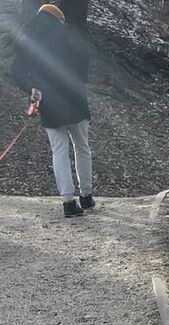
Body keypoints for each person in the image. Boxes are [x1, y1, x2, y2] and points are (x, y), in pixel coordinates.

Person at [15, 1, 93, 218]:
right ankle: (86, 195)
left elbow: (17, 71)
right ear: (58, 19)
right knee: (82, 147)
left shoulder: (27, 38)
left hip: (47, 102)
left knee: (59, 150)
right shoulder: (67, 33)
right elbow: (84, 59)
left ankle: (68, 202)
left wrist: (32, 88)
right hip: (74, 99)